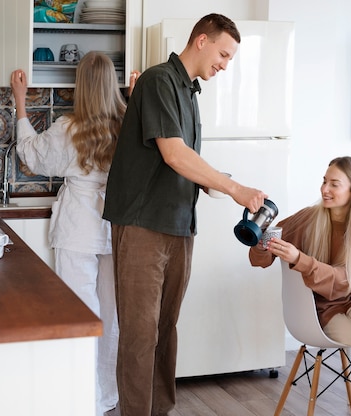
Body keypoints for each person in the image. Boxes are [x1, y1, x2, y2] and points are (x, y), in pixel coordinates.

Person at [102, 13, 267, 416]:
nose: (225, 65)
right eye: (223, 54)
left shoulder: (189, 92)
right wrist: (234, 188)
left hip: (177, 225)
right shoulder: (160, 80)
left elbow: (183, 162)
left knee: (164, 331)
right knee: (141, 335)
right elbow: (173, 153)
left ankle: (161, 411)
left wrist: (223, 185)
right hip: (143, 226)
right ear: (202, 40)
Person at [10, 51, 130, 416]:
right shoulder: (129, 124)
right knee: (112, 317)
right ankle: (106, 396)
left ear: (81, 86)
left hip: (78, 226)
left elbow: (32, 157)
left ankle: (80, 395)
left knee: (80, 312)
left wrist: (19, 101)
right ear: (112, 83)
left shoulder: (69, 127)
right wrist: (135, 97)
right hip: (115, 226)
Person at [249, 157, 351, 416]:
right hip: (320, 310)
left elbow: (345, 282)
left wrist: (299, 259)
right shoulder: (307, 218)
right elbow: (260, 260)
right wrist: (261, 235)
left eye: (334, 184)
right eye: (324, 181)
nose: (324, 189)